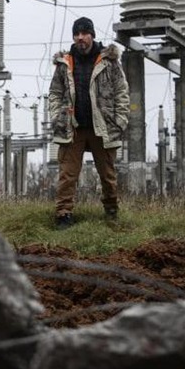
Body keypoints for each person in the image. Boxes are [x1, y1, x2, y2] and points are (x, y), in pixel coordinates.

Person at [48, 16, 129, 229]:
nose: (80, 38)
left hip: (102, 128)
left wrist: (119, 121)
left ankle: (111, 211)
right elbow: (55, 92)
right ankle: (63, 214)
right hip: (72, 128)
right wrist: (57, 115)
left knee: (107, 174)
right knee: (67, 174)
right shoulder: (64, 63)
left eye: (84, 33)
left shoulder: (108, 62)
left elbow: (122, 92)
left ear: (92, 34)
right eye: (76, 34)